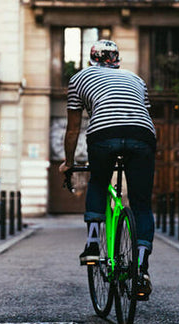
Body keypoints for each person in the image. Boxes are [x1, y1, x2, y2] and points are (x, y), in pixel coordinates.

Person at [59, 40, 156, 300]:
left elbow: (72, 129)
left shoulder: (79, 79)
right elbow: (142, 115)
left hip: (103, 134)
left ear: (92, 60)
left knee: (99, 183)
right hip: (142, 136)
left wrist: (68, 162)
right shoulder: (136, 79)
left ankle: (92, 244)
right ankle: (141, 268)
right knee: (142, 205)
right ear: (117, 60)